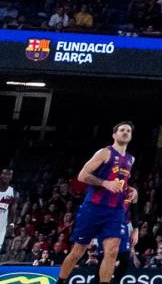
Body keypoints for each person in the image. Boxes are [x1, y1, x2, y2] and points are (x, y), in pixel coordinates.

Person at [57, 122, 136, 284]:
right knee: (78, 252)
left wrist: (132, 190)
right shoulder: (104, 153)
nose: (125, 132)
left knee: (112, 252)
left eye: (128, 131)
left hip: (115, 211)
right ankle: (61, 281)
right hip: (93, 208)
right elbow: (82, 175)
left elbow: (121, 182)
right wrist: (105, 183)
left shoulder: (130, 159)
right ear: (114, 135)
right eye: (122, 130)